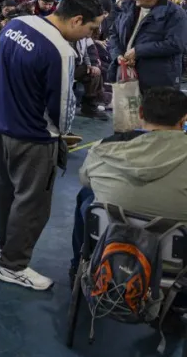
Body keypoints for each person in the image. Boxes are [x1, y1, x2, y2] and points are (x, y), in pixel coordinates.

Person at [0, 0, 104, 290]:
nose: (91, 35)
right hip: (33, 138)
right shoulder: (61, 51)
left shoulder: (15, 24)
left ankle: (5, 248)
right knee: (32, 204)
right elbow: (62, 107)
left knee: (6, 196)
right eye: (91, 29)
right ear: (76, 20)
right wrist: (62, 134)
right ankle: (13, 266)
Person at [71, 87, 187, 278]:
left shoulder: (105, 149)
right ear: (183, 120)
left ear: (140, 113)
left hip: (110, 246)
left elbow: (85, 179)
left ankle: (78, 267)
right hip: (174, 264)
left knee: (86, 196)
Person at [108, 0, 187, 92]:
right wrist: (117, 55)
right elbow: (114, 33)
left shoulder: (175, 14)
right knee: (127, 110)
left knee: (155, 110)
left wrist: (138, 51)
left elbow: (175, 44)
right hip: (126, 75)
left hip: (158, 79)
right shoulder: (128, 8)